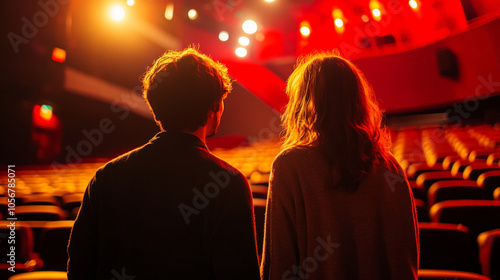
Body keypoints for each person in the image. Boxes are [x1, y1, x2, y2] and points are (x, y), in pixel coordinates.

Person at [67, 48, 260, 279]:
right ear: (213, 109)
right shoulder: (228, 184)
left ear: (156, 108)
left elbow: (80, 268)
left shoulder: (105, 177)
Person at [260, 52, 419, 280]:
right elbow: (405, 262)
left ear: (306, 102)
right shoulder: (389, 167)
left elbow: (279, 263)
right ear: (357, 100)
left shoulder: (290, 166)